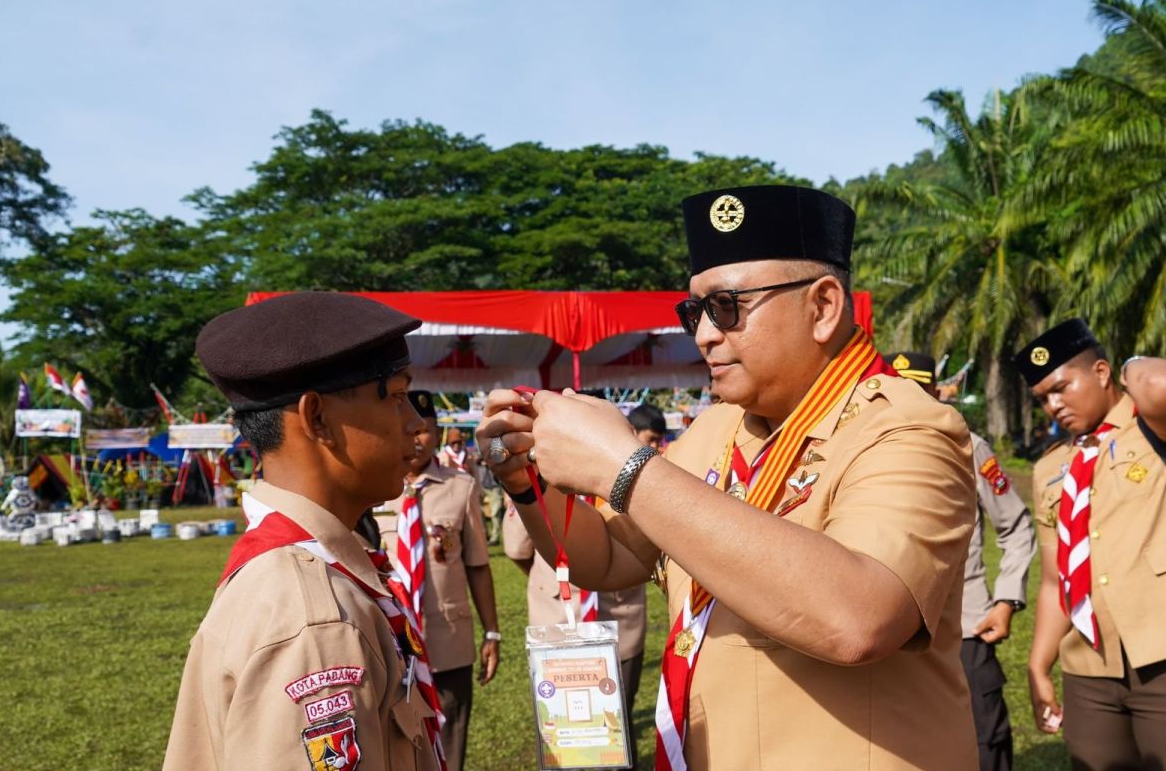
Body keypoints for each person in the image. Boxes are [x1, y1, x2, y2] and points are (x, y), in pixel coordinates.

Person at [479, 185, 978, 769]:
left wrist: (626, 469)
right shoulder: (717, 430)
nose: (704, 335)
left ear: (822, 307)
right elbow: (612, 557)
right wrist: (525, 479)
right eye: (695, 312)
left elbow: (860, 617)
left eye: (727, 307)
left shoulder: (907, 428)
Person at [164, 291, 444, 771]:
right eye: (396, 397)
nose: (415, 424)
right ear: (317, 418)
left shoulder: (305, 568)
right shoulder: (317, 621)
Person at [1015, 319, 1166, 769]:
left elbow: (1157, 384)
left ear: (1102, 372)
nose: (1053, 405)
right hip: (1089, 669)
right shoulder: (1051, 469)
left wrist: (1130, 364)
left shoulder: (1152, 428)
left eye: (1062, 387)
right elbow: (1054, 580)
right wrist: (1039, 664)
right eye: (1043, 398)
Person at [885, 351, 1037, 771]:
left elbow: (1017, 525)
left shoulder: (968, 448)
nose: (906, 401)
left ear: (937, 392)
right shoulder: (862, 454)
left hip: (965, 628)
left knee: (984, 741)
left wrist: (1006, 601)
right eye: (895, 390)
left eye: (917, 390)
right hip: (888, 635)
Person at [501, 401, 658, 754]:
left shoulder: (629, 479)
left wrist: (553, 577)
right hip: (591, 622)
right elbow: (516, 546)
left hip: (596, 622)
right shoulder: (542, 483)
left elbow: (516, 548)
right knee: (596, 727)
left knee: (574, 731)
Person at [374, 390, 501, 771]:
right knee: (392, 730)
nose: (415, 439)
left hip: (447, 633)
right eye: (405, 430)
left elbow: (478, 564)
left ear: (438, 434)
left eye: (425, 430)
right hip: (391, 637)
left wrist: (492, 633)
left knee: (452, 723)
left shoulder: (460, 487)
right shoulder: (373, 492)